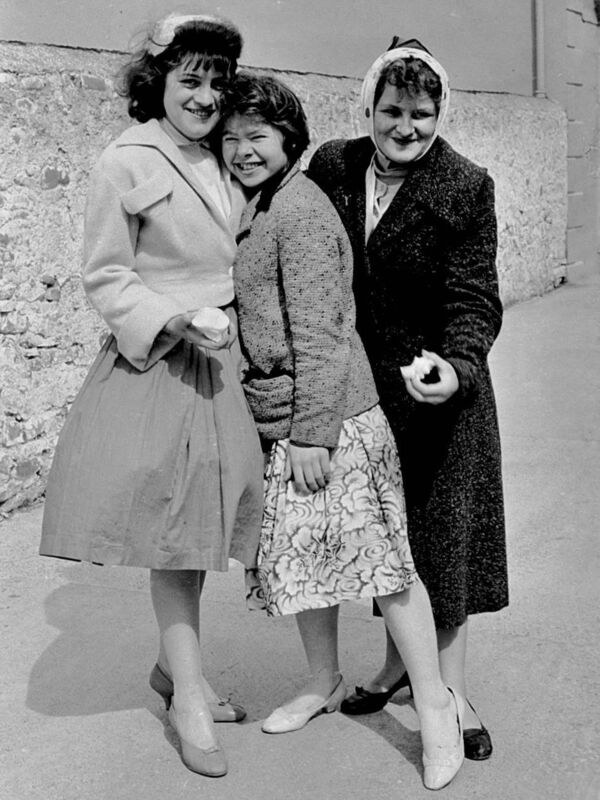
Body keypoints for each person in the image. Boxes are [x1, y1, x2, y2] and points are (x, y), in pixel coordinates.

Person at [221, 71, 465, 791]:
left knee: (386, 571)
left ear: (288, 139)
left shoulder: (297, 211)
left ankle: (437, 710)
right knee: (310, 562)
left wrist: (312, 436)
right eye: (230, 139)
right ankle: (324, 682)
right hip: (288, 419)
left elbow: (327, 333)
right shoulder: (256, 205)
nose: (241, 150)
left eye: (256, 137)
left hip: (334, 422)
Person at [39, 14, 264, 779]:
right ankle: (190, 694)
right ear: (158, 83)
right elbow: (106, 274)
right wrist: (173, 317)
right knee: (173, 534)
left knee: (203, 529)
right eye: (189, 80)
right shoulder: (125, 161)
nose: (205, 97)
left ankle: (175, 669)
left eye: (215, 82)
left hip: (220, 364)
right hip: (164, 365)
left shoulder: (222, 156)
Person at [307, 39, 507, 760]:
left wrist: (456, 367)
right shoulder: (333, 164)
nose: (407, 126)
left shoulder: (465, 184)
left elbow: (473, 296)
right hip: (359, 390)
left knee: (441, 549)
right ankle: (398, 670)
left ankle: (448, 698)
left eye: (422, 113)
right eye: (393, 109)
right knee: (384, 545)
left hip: (438, 397)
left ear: (439, 112)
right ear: (370, 105)